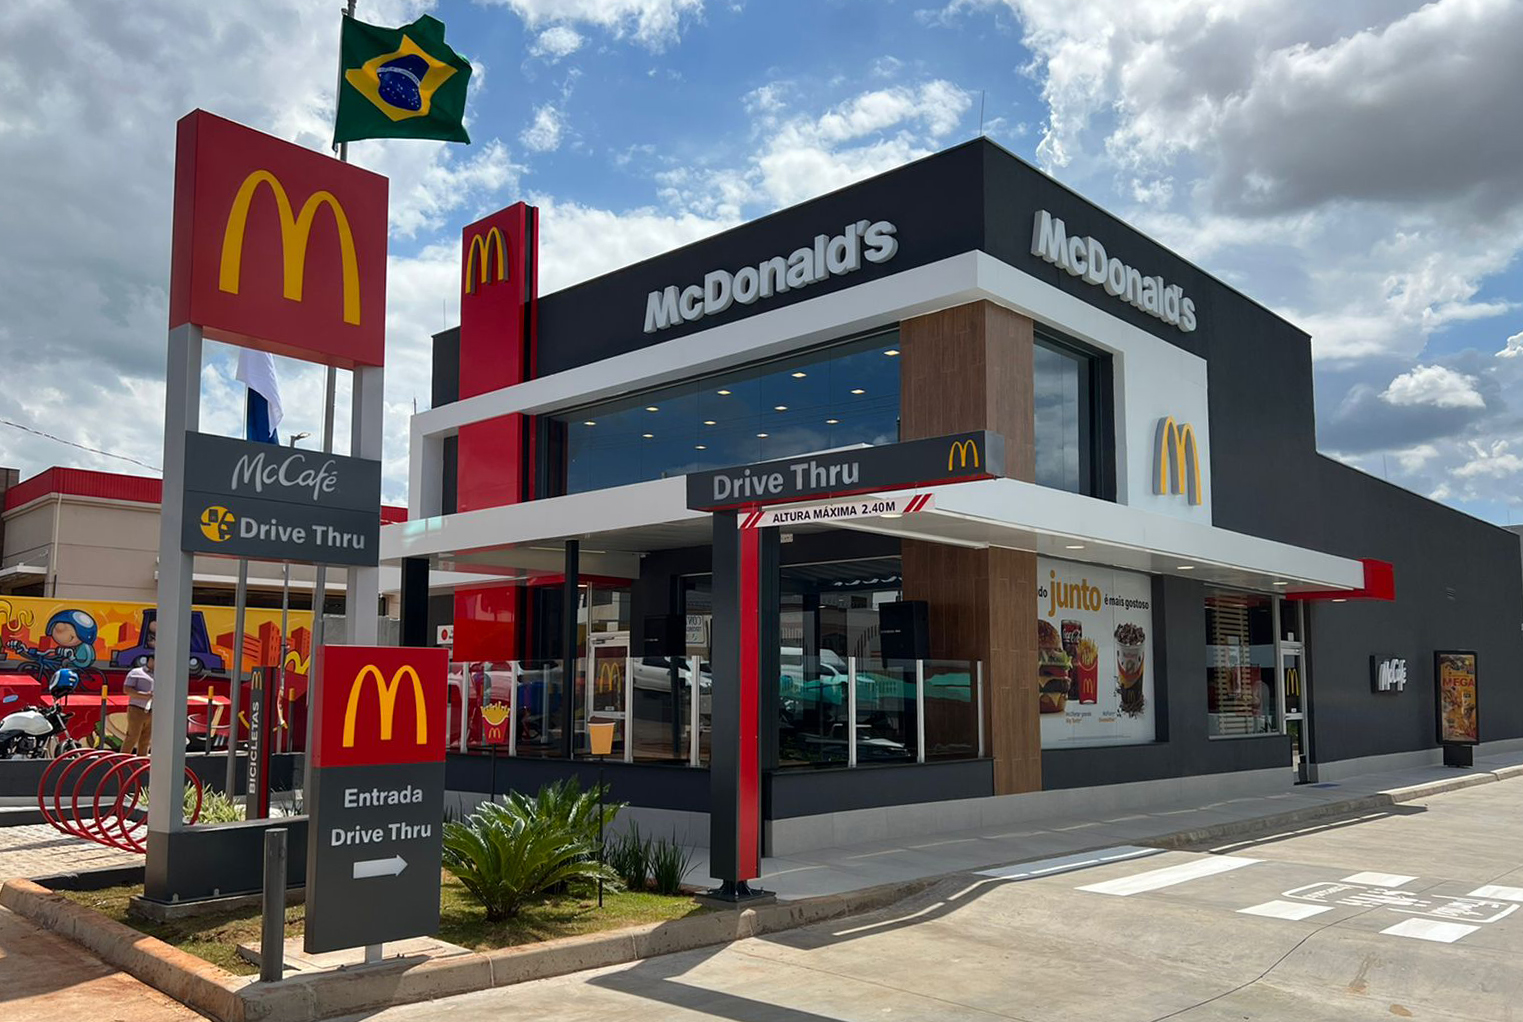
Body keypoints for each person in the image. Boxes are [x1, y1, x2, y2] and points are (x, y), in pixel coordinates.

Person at [122, 654, 154, 756]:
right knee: (132, 736)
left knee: (146, 739)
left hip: (152, 710)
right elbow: (127, 689)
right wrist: (146, 695)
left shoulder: (161, 675)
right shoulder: (136, 672)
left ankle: (142, 761)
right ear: (150, 660)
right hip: (137, 709)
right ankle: (123, 759)